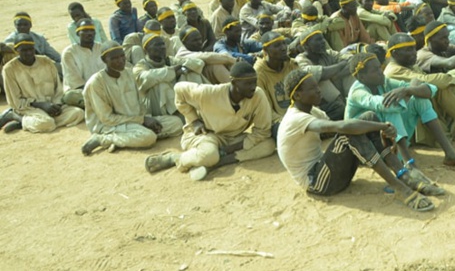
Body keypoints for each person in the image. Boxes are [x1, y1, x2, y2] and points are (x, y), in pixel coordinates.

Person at [276, 69, 438, 211]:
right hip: (317, 183)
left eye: (318, 86)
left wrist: (376, 126)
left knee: (369, 118)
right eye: (313, 88)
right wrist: (381, 126)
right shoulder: (295, 118)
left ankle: (404, 176)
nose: (319, 90)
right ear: (297, 95)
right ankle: (400, 188)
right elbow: (340, 128)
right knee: (348, 133)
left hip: (331, 175)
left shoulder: (314, 112)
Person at [144, 62, 276, 181]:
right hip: (205, 135)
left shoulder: (258, 95)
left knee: (269, 145)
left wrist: (231, 148)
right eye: (248, 83)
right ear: (234, 82)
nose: (253, 87)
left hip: (232, 138)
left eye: (254, 82)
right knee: (210, 155)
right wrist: (194, 121)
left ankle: (217, 162)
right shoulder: (208, 93)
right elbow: (179, 89)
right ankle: (176, 158)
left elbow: (262, 131)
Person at [346, 52, 455, 171]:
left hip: (385, 139)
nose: (381, 72)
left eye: (380, 67)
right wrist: (408, 91)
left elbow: (431, 90)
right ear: (361, 77)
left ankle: (450, 153)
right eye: (375, 70)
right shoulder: (358, 92)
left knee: (419, 100)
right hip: (365, 147)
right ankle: (408, 165)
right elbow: (384, 105)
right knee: (392, 108)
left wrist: (408, 91)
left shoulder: (383, 82)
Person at [81, 39, 183, 155]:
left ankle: (128, 138)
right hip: (109, 126)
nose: (120, 61)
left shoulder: (129, 73)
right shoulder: (96, 83)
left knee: (176, 123)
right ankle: (103, 139)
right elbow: (107, 118)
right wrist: (142, 120)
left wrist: (145, 119)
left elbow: (140, 105)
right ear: (104, 60)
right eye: (114, 58)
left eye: (122, 56)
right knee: (147, 137)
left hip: (135, 121)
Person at [1, 33, 85, 133]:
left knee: (78, 113)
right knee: (46, 124)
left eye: (30, 49)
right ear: (16, 51)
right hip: (29, 107)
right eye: (23, 50)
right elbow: (15, 101)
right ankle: (16, 116)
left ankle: (26, 122)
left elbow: (58, 89)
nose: (28, 53)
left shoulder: (46, 62)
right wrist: (40, 105)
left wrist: (56, 105)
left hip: (51, 105)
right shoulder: (9, 69)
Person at [253, 31, 298, 137]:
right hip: (278, 119)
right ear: (266, 51)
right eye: (277, 45)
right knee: (282, 130)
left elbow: (304, 92)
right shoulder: (259, 72)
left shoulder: (291, 64)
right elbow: (266, 108)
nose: (283, 48)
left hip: (298, 114)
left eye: (284, 43)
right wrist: (284, 121)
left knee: (336, 108)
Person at [61, 19, 105, 109]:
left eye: (92, 30)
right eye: (85, 30)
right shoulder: (69, 53)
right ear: (77, 33)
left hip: (104, 89)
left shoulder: (102, 48)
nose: (89, 33)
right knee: (71, 96)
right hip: (81, 91)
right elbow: (75, 83)